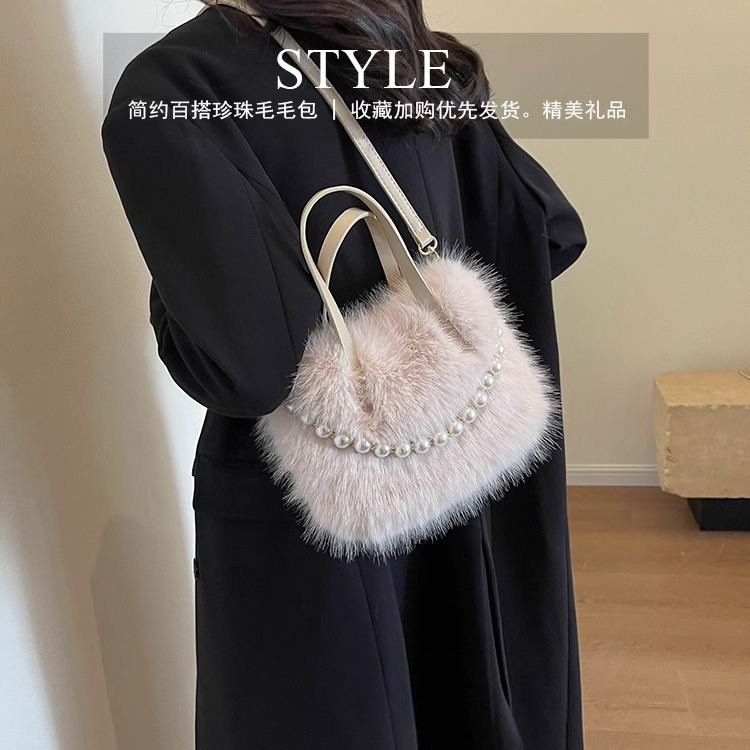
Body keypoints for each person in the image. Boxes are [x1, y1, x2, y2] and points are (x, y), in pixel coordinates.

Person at [101, 1, 588, 747]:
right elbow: (548, 231)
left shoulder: (178, 83)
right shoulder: (416, 61)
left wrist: (174, 300)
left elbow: (247, 367)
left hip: (312, 524)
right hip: (464, 478)